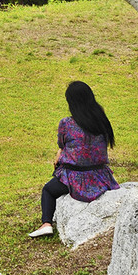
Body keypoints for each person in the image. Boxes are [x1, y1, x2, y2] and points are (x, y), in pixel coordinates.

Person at [29, 80, 119, 237]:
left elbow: (62, 145)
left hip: (75, 178)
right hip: (100, 177)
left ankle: (46, 223)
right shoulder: (102, 121)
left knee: (48, 190)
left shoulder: (66, 123)